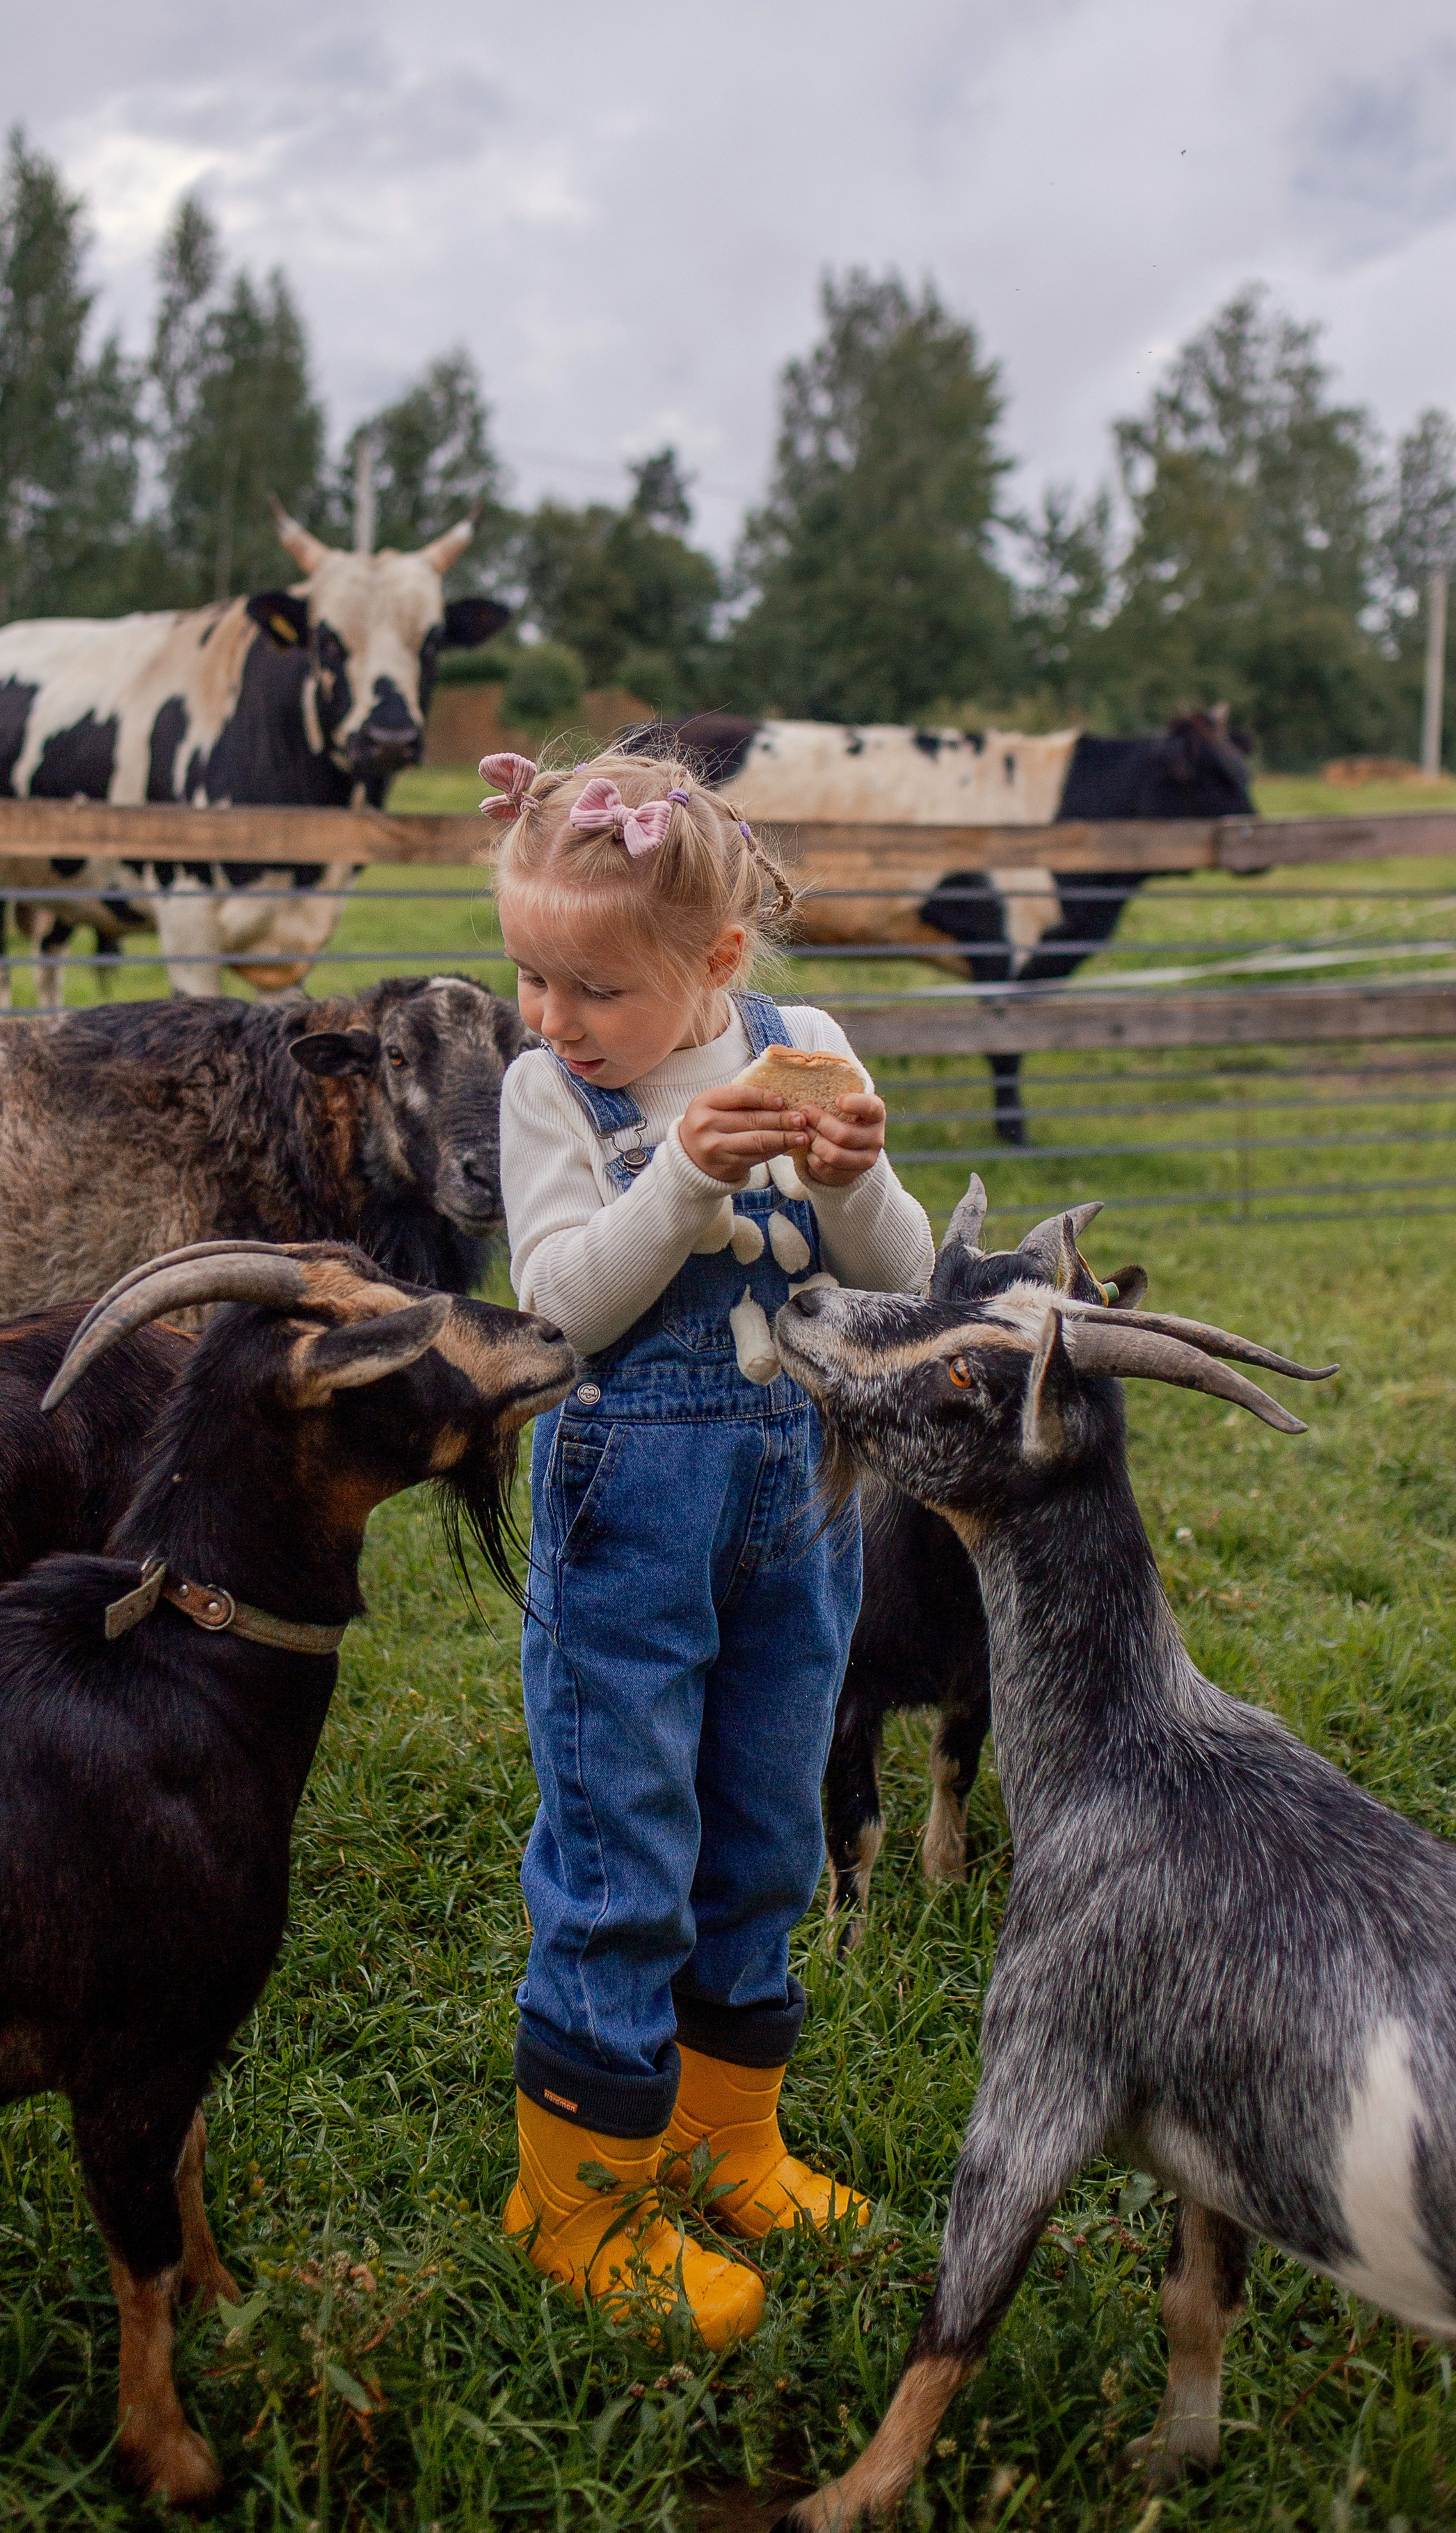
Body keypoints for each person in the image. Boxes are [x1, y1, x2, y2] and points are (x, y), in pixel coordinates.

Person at [486, 744, 935, 2346]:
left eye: (589, 986)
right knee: (622, 1831)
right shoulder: (556, 1098)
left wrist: (858, 1175)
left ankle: (724, 2135)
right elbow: (555, 1309)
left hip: (798, 1499)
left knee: (764, 1813)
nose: (549, 1015)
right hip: (629, 1499)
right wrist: (677, 1180)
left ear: (718, 967)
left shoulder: (802, 1043)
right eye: (528, 974)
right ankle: (580, 2197)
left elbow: (895, 1268)